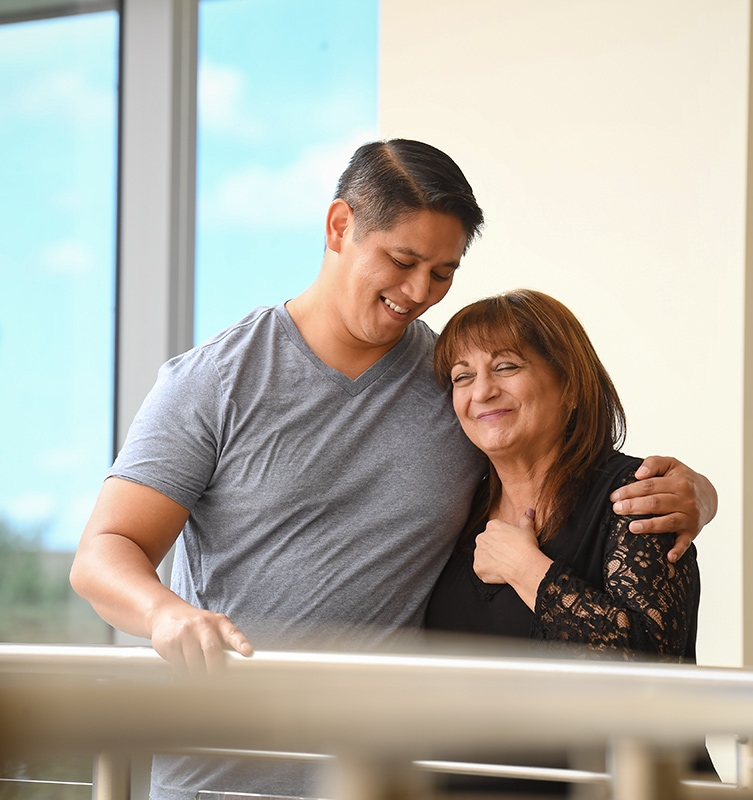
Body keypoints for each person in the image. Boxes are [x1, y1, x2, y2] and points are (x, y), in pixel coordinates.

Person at [70, 140, 716, 800]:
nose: (418, 293)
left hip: (381, 782)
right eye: (403, 262)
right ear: (339, 226)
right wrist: (163, 614)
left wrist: (695, 491)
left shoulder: (453, 386)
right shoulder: (212, 382)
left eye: (442, 272)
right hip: (223, 777)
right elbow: (103, 552)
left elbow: (552, 460)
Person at [426, 289, 700, 660]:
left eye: (506, 366)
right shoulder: (458, 509)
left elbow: (650, 665)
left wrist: (527, 570)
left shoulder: (638, 498)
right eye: (462, 377)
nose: (482, 391)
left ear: (570, 385)